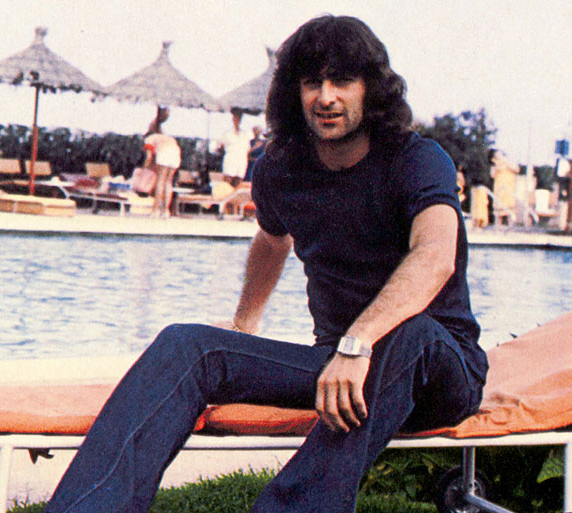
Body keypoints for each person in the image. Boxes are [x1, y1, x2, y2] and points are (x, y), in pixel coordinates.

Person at [41, 15, 486, 513]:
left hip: (439, 369)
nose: (325, 96)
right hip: (335, 366)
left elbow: (434, 257)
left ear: (370, 89)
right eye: (312, 81)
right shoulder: (281, 168)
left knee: (411, 334)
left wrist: (358, 344)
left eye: (342, 80)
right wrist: (245, 322)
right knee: (187, 345)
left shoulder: (417, 159)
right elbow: (272, 240)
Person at [142, 106, 180, 218]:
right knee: (169, 182)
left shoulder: (149, 139)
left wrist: (144, 168)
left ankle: (155, 211)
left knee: (160, 181)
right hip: (175, 152)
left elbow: (149, 158)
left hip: (165, 153)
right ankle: (165, 211)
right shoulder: (164, 136)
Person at [214, 109, 254, 187]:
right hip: (230, 163)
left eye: (239, 118)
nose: (237, 120)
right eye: (235, 118)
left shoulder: (245, 135)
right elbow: (218, 148)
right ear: (233, 119)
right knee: (227, 185)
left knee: (238, 185)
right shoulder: (227, 133)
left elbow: (247, 150)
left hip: (241, 164)